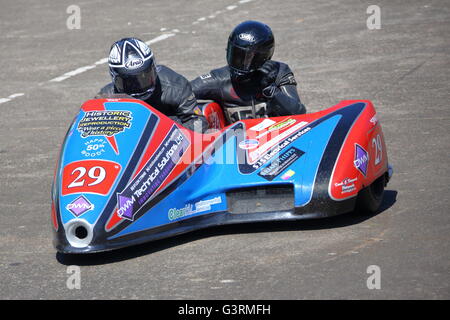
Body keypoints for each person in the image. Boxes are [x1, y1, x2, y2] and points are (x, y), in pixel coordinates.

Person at [191, 20, 306, 124]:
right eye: (235, 54)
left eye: (246, 57)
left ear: (263, 56)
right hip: (240, 144)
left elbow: (299, 114)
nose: (238, 62)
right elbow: (181, 92)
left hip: (278, 140)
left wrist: (271, 90)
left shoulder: (279, 71)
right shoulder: (219, 79)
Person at [98, 37, 208, 132]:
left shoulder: (176, 86)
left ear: (154, 69)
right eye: (129, 82)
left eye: (144, 77)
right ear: (114, 77)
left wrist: (174, 136)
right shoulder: (104, 98)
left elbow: (198, 121)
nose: (138, 86)